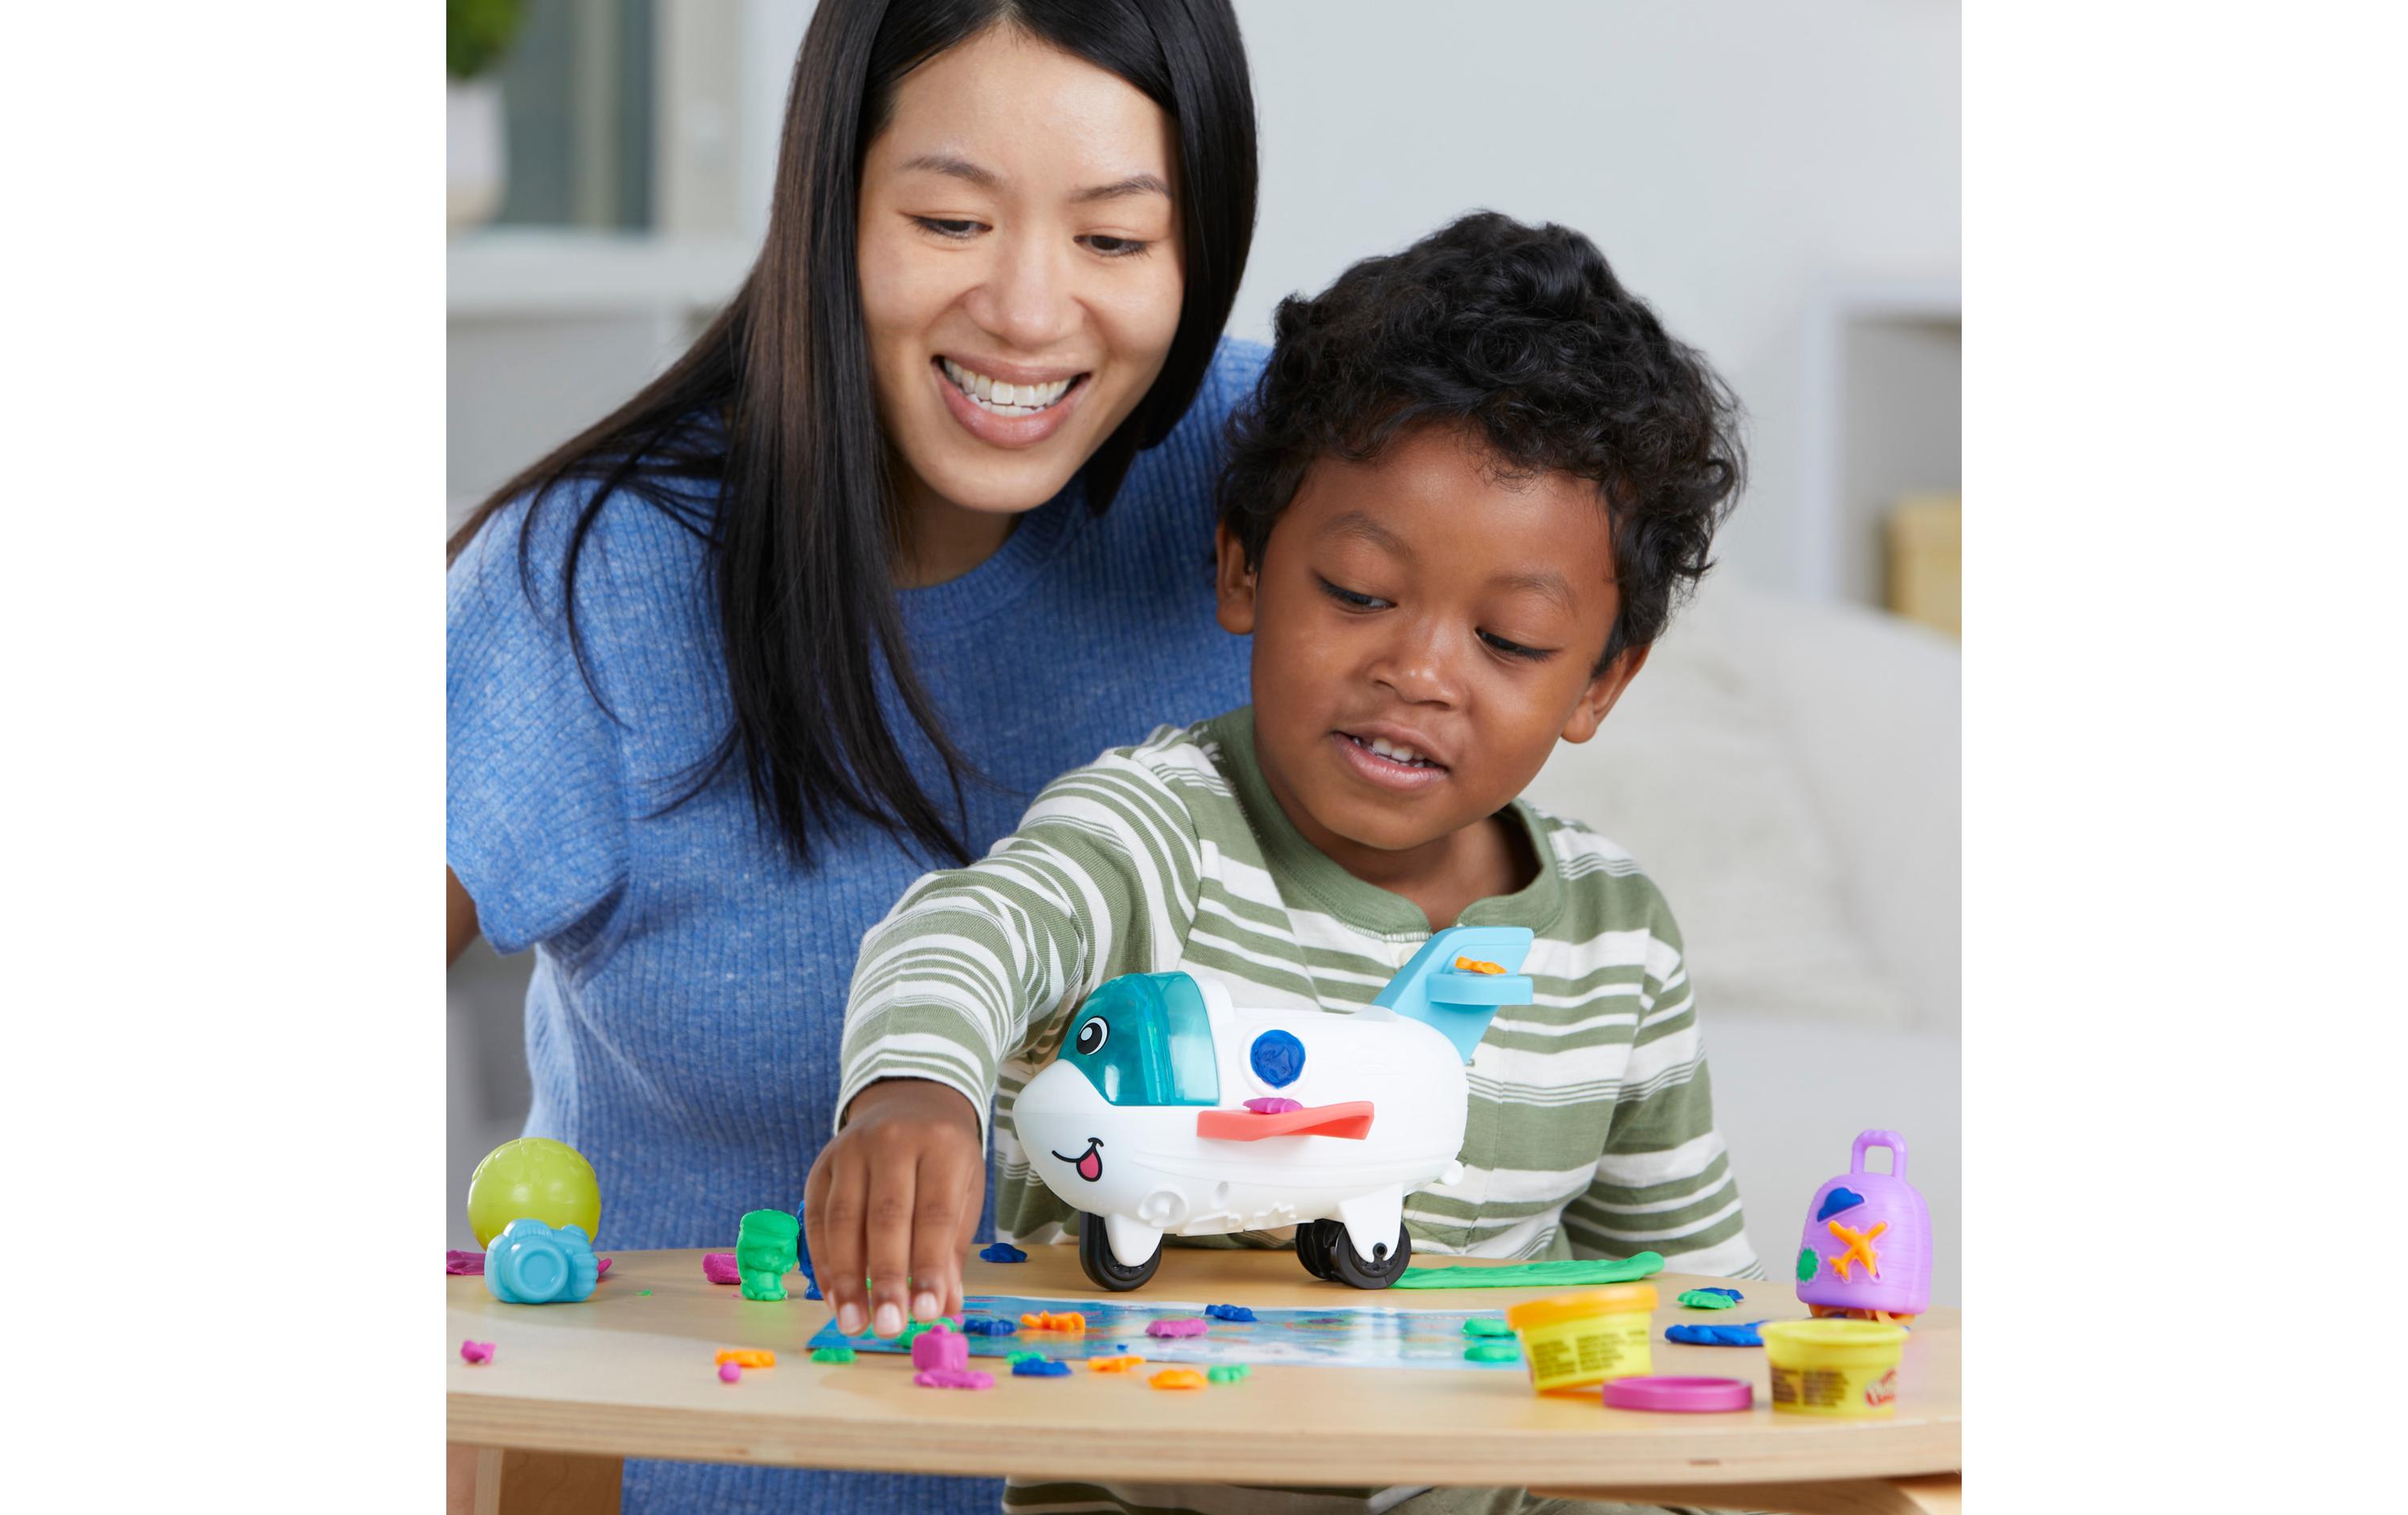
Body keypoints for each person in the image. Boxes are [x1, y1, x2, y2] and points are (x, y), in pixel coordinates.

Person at [810, 210, 1763, 1515]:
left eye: (1509, 641)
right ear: (1247, 567)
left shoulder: (1617, 942)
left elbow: (1692, 1317)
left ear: (1600, 680)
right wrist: (913, 1091)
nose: (1418, 672)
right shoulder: (1156, 833)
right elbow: (968, 931)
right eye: (1360, 593)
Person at [445, 3, 1259, 1511]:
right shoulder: (598, 578)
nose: (1029, 312)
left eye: (1114, 240)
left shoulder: (1282, 498)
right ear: (830, 202)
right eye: (950, 221)